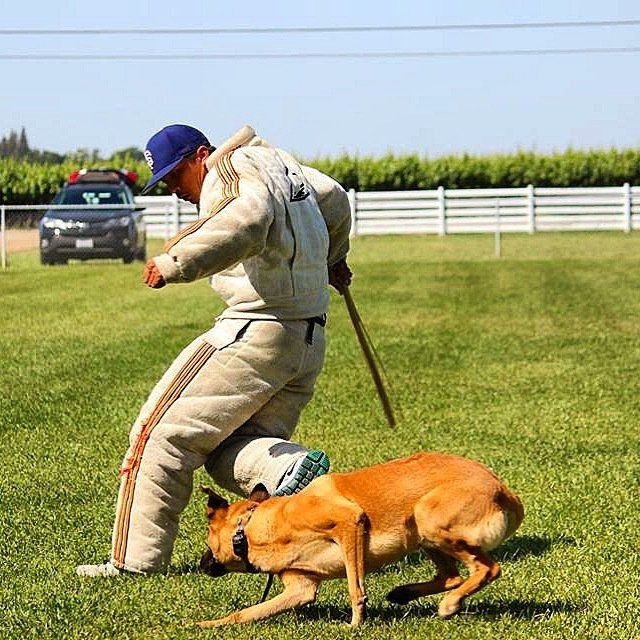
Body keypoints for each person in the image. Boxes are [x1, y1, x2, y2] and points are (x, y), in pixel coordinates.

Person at [76, 124, 352, 577]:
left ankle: (133, 564)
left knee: (159, 437)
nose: (173, 189)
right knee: (227, 446)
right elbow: (334, 198)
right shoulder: (281, 164)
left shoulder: (229, 167)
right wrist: (333, 258)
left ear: (200, 154)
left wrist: (176, 261)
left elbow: (247, 217)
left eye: (174, 176)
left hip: (257, 329)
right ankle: (289, 470)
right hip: (306, 338)